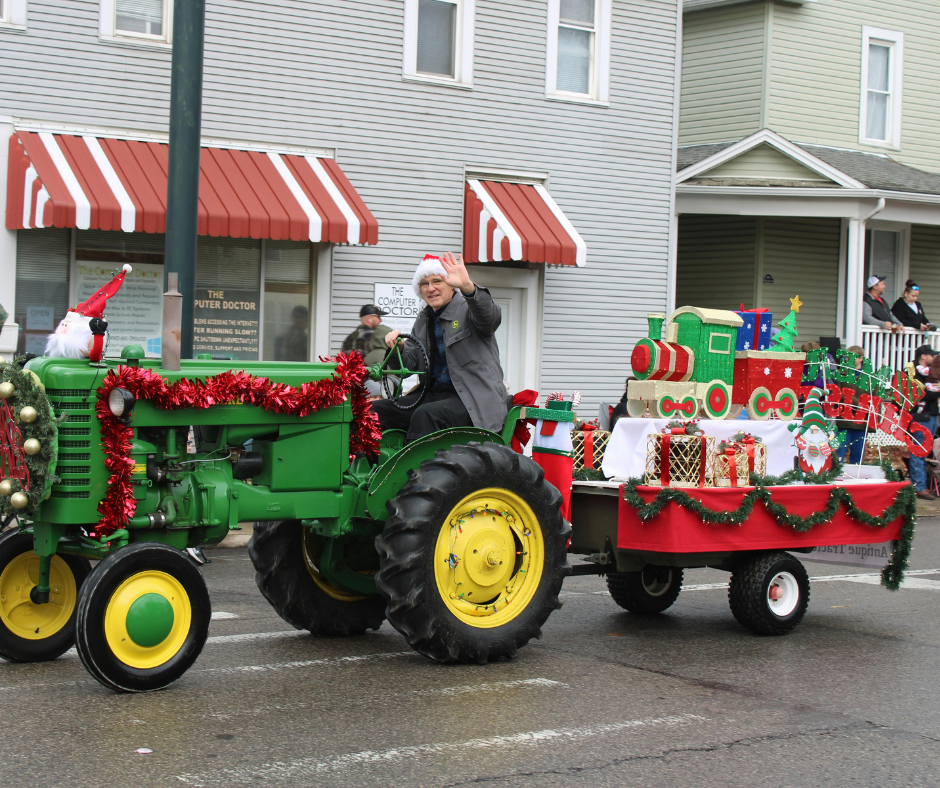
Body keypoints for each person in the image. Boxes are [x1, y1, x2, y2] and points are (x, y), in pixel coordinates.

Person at [371, 251, 507, 443]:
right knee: (375, 410)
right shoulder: (423, 319)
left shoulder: (469, 308)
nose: (431, 288)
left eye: (437, 281)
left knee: (426, 415)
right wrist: (399, 347)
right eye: (425, 284)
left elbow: (490, 318)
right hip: (433, 395)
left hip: (472, 399)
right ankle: (369, 469)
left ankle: (412, 472)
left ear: (451, 285)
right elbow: (410, 367)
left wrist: (469, 287)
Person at [909, 344, 939, 500]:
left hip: (932, 414)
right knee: (919, 449)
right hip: (921, 416)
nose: (934, 358)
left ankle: (922, 484)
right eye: (932, 355)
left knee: (926, 451)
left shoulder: (931, 373)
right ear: (924, 356)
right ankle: (919, 486)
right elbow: (921, 394)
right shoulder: (913, 372)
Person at [342, 305, 392, 396]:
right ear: (369, 318)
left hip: (351, 389)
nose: (381, 320)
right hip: (371, 390)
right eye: (378, 317)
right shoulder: (375, 337)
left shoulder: (348, 338)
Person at [834, 345, 868, 464]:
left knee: (858, 456)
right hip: (844, 420)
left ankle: (855, 480)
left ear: (860, 359)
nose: (848, 359)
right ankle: (836, 478)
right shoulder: (841, 374)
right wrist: (858, 403)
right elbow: (839, 393)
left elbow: (874, 398)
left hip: (861, 422)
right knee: (839, 454)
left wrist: (872, 421)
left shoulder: (869, 377)